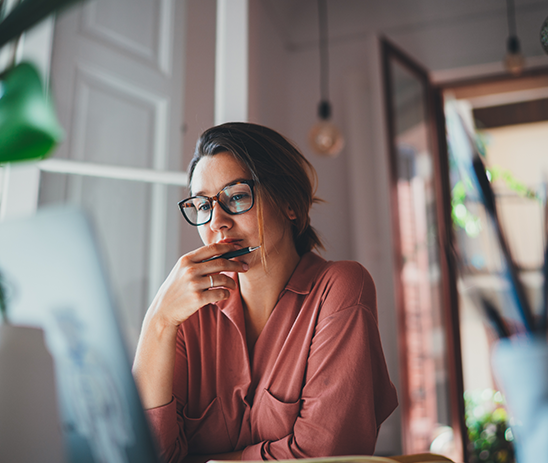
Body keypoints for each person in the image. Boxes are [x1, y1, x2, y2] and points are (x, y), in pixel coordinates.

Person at [133, 123, 398, 462]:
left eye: (237, 197)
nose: (217, 222)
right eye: (202, 206)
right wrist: (158, 321)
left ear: (289, 203)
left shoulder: (340, 288)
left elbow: (323, 455)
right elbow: (146, 454)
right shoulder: (188, 312)